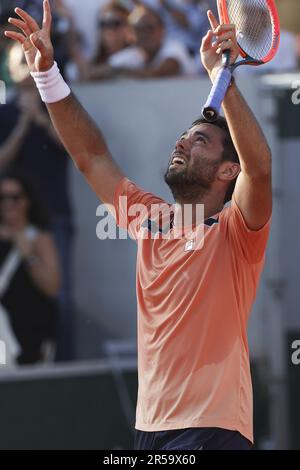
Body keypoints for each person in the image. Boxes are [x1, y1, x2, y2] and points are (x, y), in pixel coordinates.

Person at [4, 0, 272, 449]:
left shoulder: (236, 230)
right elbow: (91, 157)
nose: (183, 142)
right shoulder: (150, 219)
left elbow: (259, 170)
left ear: (228, 172)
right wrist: (47, 74)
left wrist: (222, 84)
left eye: (200, 140)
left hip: (214, 428)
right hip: (150, 431)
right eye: (184, 136)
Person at [0, 42, 74, 361]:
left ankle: (62, 370)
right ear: (11, 70)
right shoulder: (4, 112)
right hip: (7, 216)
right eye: (21, 63)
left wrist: (42, 119)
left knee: (59, 295)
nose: (28, 71)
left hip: (52, 214)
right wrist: (22, 124)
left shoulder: (61, 104)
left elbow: (79, 150)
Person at [0, 171, 60, 364]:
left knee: (28, 389)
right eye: (3, 197)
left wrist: (30, 257)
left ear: (27, 200)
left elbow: (52, 287)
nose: (9, 203)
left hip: (31, 332)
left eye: (15, 197)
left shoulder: (38, 238)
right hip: (2, 332)